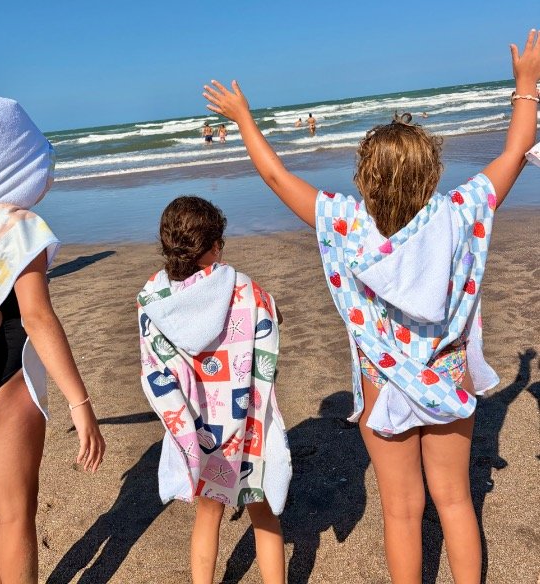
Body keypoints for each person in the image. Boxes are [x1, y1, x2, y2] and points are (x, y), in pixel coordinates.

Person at [202, 29, 540, 584]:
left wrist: (243, 119)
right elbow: (516, 151)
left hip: (384, 383)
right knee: (456, 501)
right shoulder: (460, 213)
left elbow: (276, 177)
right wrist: (526, 83)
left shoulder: (347, 225)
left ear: (364, 177)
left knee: (401, 510)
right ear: (432, 172)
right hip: (448, 373)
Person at [0, 97, 105, 584]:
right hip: (8, 380)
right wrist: (80, 402)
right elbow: (37, 318)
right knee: (16, 517)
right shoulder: (17, 225)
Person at [137, 196, 291, 584]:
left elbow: (154, 367)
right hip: (248, 428)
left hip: (201, 432)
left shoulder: (155, 301)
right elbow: (272, 318)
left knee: (208, 514)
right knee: (263, 515)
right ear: (214, 247)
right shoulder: (244, 289)